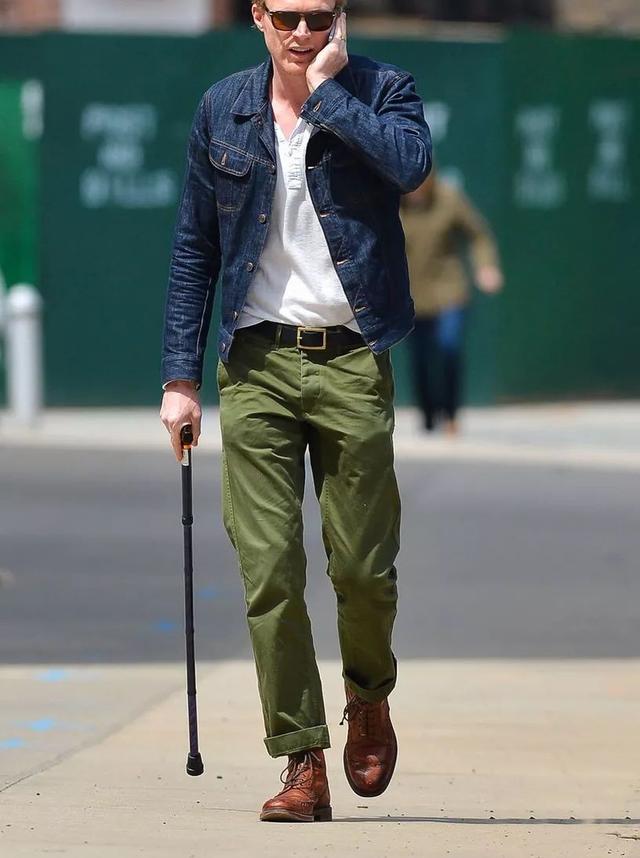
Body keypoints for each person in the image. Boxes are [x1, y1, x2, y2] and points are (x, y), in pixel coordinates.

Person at [160, 0, 431, 822]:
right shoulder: (223, 107)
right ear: (258, 16)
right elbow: (195, 247)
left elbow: (410, 168)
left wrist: (326, 94)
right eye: (287, 17)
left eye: (319, 16)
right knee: (269, 569)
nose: (302, 32)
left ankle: (369, 697)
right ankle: (302, 758)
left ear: (340, 20)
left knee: (362, 568)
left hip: (353, 357)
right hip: (256, 364)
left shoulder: (383, 89)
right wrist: (181, 380)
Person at [401, 171, 503, 435]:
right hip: (412, 295)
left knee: (449, 346)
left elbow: (478, 234)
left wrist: (486, 266)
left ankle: (451, 413)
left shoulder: (449, 198)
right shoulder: (392, 202)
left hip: (449, 290)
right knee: (421, 358)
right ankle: (428, 414)